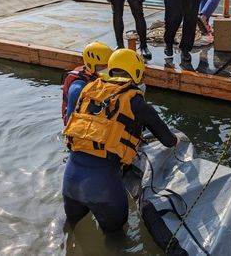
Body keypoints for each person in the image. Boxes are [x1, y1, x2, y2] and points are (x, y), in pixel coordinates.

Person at [62, 48, 178, 232]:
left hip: (70, 181)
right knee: (117, 239)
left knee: (72, 231)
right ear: (137, 73)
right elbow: (169, 140)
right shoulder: (136, 103)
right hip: (103, 187)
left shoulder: (89, 90)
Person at [62, 42, 113, 125]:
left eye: (109, 66)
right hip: (81, 127)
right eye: (103, 66)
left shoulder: (100, 76)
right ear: (90, 65)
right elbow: (70, 120)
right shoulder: (77, 88)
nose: (107, 69)